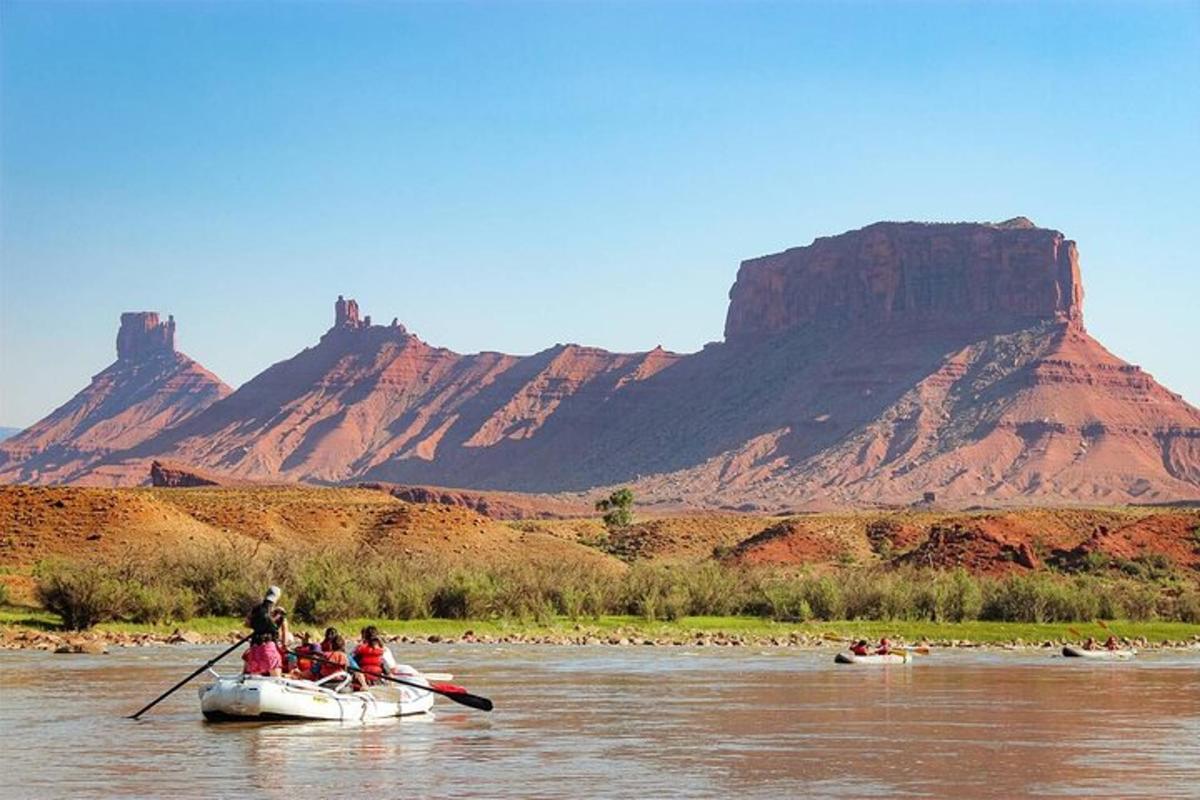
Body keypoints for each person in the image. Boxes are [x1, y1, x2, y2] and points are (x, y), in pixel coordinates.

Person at [243, 585, 288, 677]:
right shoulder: (279, 613)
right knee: (276, 678)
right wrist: (284, 646)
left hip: (254, 648)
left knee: (254, 679)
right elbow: (284, 632)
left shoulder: (255, 610)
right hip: (269, 648)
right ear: (277, 597)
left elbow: (246, 624)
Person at [353, 626, 388, 690]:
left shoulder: (360, 649)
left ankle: (363, 686)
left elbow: (353, 664)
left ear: (364, 637)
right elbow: (387, 667)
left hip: (364, 680)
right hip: (377, 680)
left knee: (355, 669)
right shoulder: (383, 650)